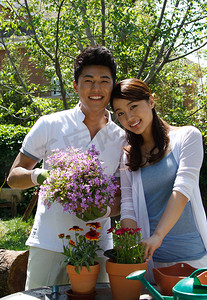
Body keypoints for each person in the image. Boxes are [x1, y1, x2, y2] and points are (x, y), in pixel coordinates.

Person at [7, 46, 125, 290]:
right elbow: (14, 177)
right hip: (50, 241)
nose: (96, 89)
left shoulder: (122, 138)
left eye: (104, 81)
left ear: (113, 86)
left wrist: (102, 211)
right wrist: (41, 176)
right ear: (75, 86)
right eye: (88, 81)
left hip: (99, 243)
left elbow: (123, 193)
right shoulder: (50, 124)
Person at [110, 78, 207, 287]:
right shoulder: (128, 155)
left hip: (191, 255)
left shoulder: (187, 137)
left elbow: (182, 190)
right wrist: (131, 249)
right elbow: (128, 206)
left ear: (151, 101)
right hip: (152, 258)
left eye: (133, 106)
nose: (129, 117)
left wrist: (158, 235)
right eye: (120, 113)